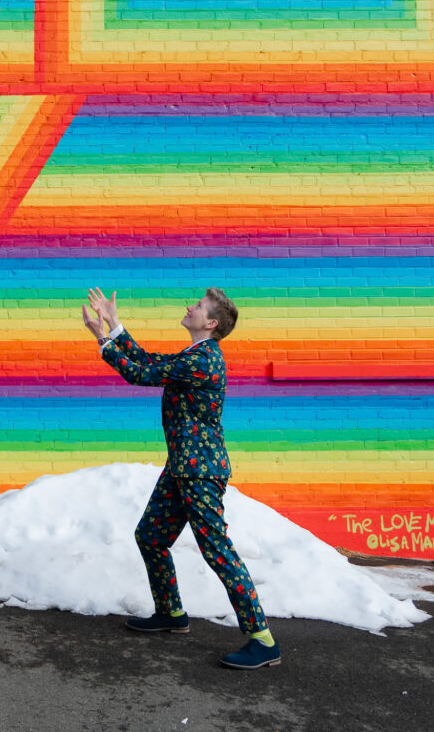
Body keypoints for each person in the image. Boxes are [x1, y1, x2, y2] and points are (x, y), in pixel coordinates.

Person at [82, 286, 281, 670]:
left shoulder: (204, 360)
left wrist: (103, 339)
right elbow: (149, 361)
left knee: (217, 551)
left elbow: (140, 373)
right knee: (151, 537)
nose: (190, 306)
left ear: (211, 323)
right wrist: (115, 324)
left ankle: (262, 639)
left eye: (199, 306)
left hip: (201, 470)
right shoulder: (194, 356)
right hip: (182, 467)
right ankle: (171, 613)